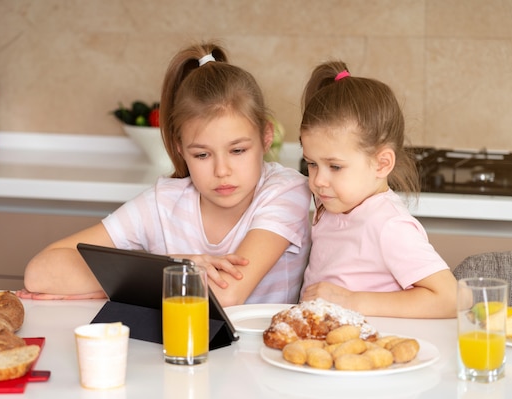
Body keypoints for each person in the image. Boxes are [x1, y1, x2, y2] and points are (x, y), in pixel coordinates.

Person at [18, 41, 312, 306]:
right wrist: (175, 267)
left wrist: (118, 284)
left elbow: (226, 294)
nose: (222, 171)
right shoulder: (163, 203)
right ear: (180, 149)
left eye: (238, 151)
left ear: (265, 138)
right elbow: (40, 272)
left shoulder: (285, 191)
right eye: (202, 154)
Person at [298, 61, 457, 318]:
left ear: (382, 164)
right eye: (312, 164)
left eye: (335, 167)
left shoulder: (387, 224)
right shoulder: (331, 205)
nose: (318, 181)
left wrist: (351, 301)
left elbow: (450, 299)